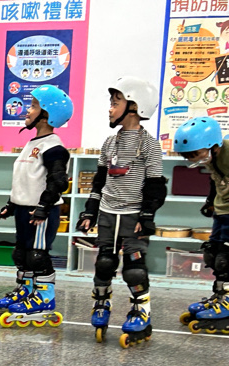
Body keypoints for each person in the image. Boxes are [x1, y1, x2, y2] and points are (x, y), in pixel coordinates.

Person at [76, 77, 166, 347]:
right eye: (111, 103)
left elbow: (155, 186)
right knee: (104, 263)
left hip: (133, 216)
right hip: (107, 213)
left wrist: (147, 216)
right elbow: (99, 182)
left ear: (135, 106)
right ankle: (101, 303)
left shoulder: (150, 145)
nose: (110, 108)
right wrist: (89, 212)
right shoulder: (109, 143)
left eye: (116, 103)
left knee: (134, 270)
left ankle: (141, 310)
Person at [0, 85, 72, 329]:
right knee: (21, 254)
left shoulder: (54, 147)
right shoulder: (32, 143)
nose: (27, 110)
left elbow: (58, 182)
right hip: (24, 210)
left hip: (41, 212)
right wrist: (11, 205)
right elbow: (26, 180)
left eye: (34, 106)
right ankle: (26, 291)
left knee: (37, 256)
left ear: (47, 115)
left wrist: (44, 207)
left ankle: (45, 297)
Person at [174, 116, 229, 334]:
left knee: (226, 259)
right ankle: (221, 296)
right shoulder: (212, 158)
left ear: (213, 145)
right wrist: (210, 202)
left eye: (195, 155)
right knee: (213, 255)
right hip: (223, 210)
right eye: (188, 157)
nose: (192, 160)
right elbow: (216, 181)